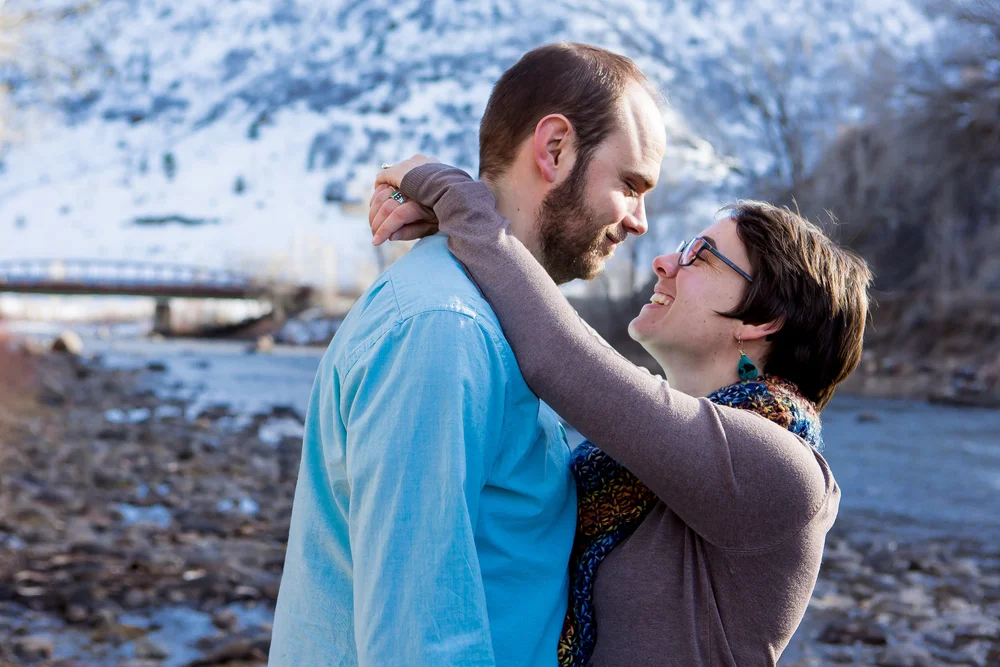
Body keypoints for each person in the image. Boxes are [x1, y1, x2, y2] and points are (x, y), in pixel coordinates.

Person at [369, 158, 872, 666]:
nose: (664, 262)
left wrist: (453, 196)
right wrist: (465, 233)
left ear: (763, 320)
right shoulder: (656, 454)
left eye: (701, 256)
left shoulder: (778, 470)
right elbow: (567, 337)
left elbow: (561, 355)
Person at [269, 42, 666, 666]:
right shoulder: (444, 329)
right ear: (555, 149)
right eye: (631, 184)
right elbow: (417, 642)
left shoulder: (494, 317)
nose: (641, 220)